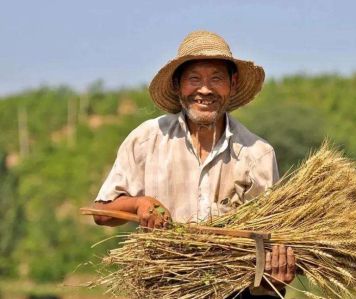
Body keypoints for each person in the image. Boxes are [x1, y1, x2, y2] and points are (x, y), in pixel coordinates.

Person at [92, 30, 295, 298]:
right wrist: (140, 203)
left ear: (232, 84)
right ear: (177, 85)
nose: (205, 89)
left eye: (216, 79)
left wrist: (275, 279)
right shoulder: (147, 140)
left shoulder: (257, 154)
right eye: (194, 79)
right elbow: (100, 213)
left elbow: (269, 248)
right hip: (161, 287)